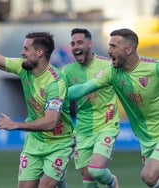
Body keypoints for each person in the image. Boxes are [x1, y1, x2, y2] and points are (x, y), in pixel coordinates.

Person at [0, 6, 75, 188]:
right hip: (35, 142)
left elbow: (51, 122)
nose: (22, 52)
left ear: (39, 53)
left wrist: (16, 125)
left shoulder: (55, 82)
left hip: (59, 143)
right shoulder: (23, 68)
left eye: (26, 49)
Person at [67, 28, 159, 188]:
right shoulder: (112, 73)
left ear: (128, 49)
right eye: (109, 46)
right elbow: (82, 89)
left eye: (113, 46)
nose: (108, 51)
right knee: (151, 182)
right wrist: (55, 95)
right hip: (146, 139)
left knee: (149, 175)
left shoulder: (154, 68)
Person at [60, 28, 120, 188]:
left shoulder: (108, 66)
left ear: (90, 44)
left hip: (106, 126)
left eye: (80, 42)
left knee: (97, 171)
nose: (76, 46)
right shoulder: (67, 71)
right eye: (73, 43)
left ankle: (112, 182)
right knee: (88, 183)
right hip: (82, 130)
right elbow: (60, 98)